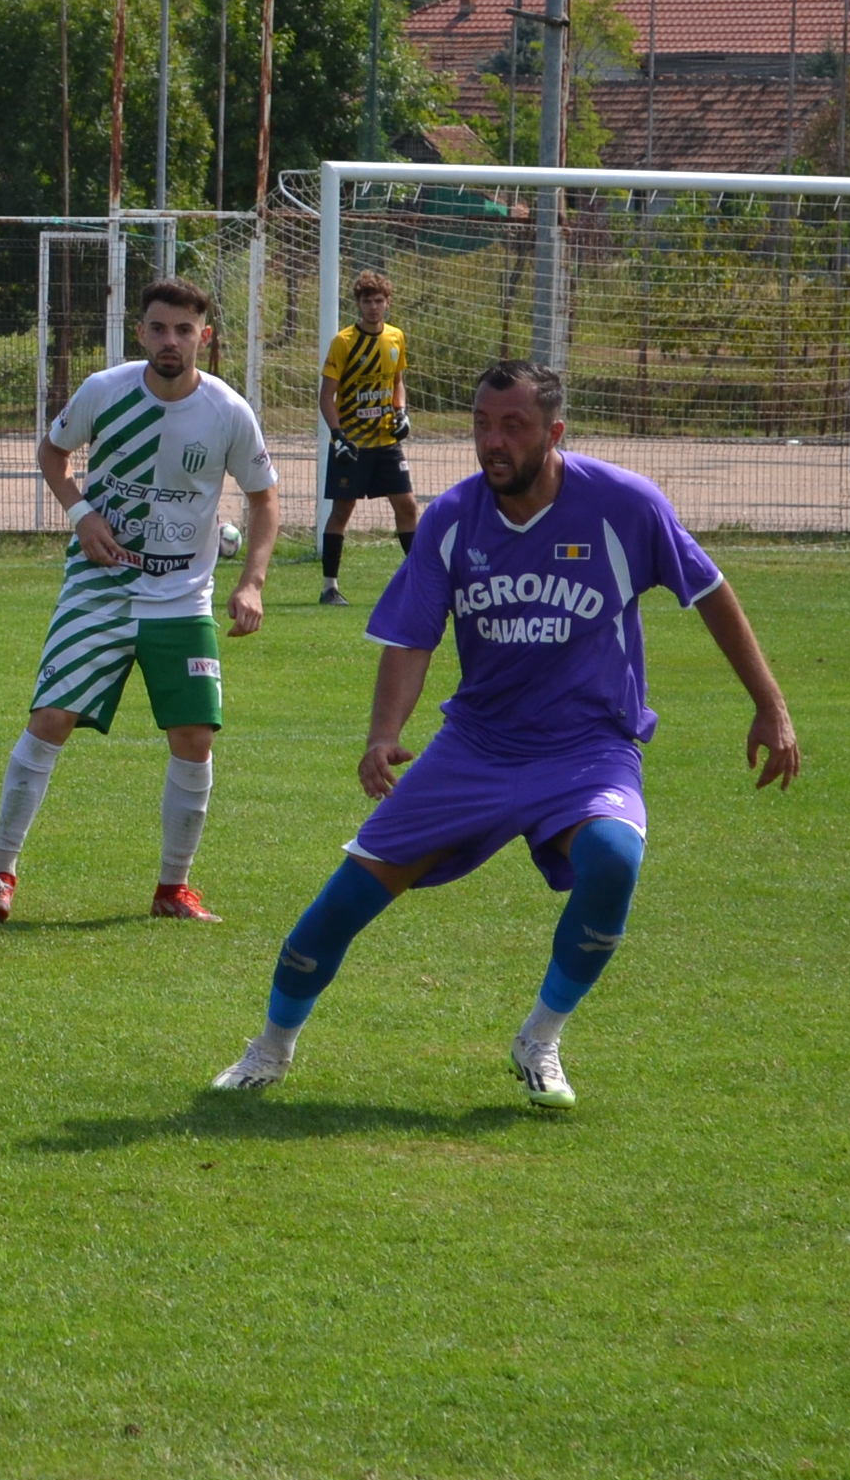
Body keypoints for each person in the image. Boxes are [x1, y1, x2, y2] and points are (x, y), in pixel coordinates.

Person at [210, 360, 800, 1109]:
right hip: (476, 749)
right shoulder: (452, 519)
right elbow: (413, 636)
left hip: (589, 748)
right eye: (483, 425)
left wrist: (770, 706)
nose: (494, 441)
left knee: (615, 859)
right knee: (341, 905)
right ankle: (269, 1049)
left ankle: (540, 1039)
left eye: (513, 426)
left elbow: (710, 591)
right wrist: (383, 734)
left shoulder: (625, 505)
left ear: (554, 434)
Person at [0, 275, 279, 927]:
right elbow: (52, 453)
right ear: (140, 332)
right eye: (159, 328)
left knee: (195, 736)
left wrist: (251, 581)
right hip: (100, 586)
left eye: (184, 330)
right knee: (51, 717)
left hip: (183, 597)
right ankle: (0, 876)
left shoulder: (228, 411)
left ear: (204, 337)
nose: (171, 341)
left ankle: (174, 889)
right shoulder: (103, 391)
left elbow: (263, 498)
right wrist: (81, 514)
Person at [316, 268, 420, 608]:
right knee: (342, 511)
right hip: (353, 444)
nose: (373, 307)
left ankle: (420, 579)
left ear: (388, 303)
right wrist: (338, 437)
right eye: (367, 301)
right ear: (358, 304)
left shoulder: (396, 338)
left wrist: (401, 413)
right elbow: (326, 396)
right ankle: (329, 587)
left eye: (378, 301)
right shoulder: (344, 342)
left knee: (407, 506)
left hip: (386, 442)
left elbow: (398, 382)